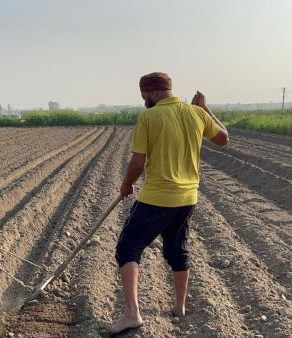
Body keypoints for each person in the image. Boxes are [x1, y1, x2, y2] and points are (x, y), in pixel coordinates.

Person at [110, 72, 229, 333]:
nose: (143, 101)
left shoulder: (149, 117)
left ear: (152, 92)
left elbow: (138, 162)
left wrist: (127, 183)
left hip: (157, 196)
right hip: (188, 197)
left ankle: (131, 314)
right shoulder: (196, 114)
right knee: (177, 248)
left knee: (128, 246)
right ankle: (179, 306)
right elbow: (224, 138)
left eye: (144, 95)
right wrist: (205, 109)